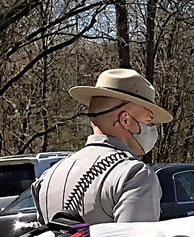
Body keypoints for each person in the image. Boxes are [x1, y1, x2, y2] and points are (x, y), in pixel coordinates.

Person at [33, 68, 173, 225]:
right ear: (125, 120)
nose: (152, 128)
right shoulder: (134, 175)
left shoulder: (48, 176)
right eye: (148, 122)